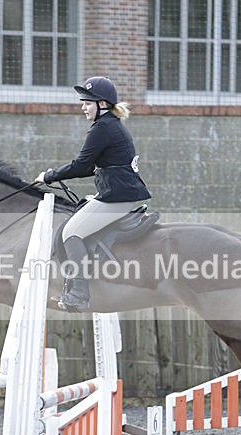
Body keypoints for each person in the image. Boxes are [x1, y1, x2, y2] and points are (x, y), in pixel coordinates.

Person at [35, 76, 151, 311]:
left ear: (102, 104)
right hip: (118, 193)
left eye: (87, 103)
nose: (83, 108)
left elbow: (80, 166)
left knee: (71, 232)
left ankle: (79, 294)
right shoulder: (110, 124)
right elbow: (90, 167)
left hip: (117, 197)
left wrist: (49, 176)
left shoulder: (102, 128)